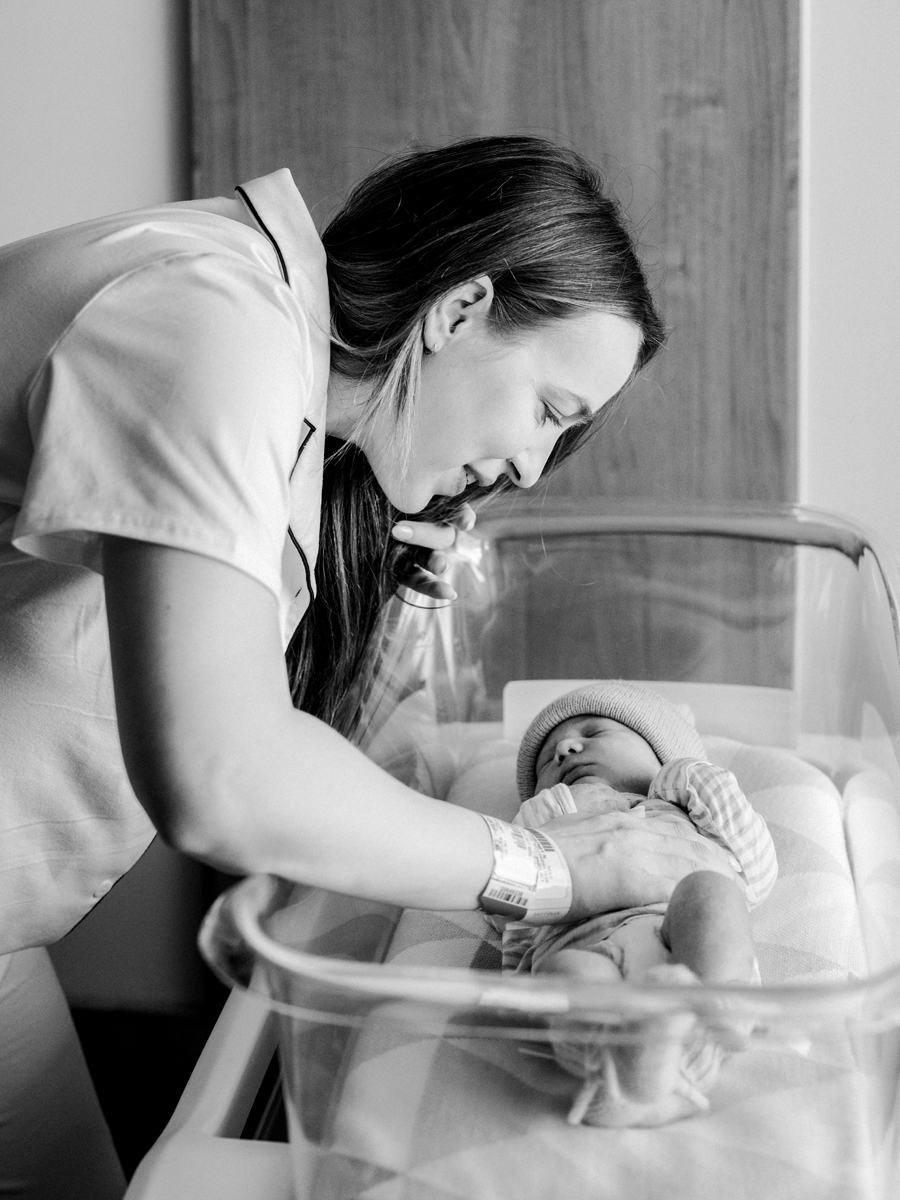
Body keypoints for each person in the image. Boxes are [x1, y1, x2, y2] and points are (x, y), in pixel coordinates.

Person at [0, 136, 725, 1196]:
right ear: (460, 310)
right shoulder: (213, 320)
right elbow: (222, 778)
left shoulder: (285, 410)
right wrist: (552, 873)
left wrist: (383, 572)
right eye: (549, 412)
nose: (528, 468)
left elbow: (315, 749)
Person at [504, 681, 778, 1127]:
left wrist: (692, 776)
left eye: (592, 733)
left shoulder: (687, 812)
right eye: (545, 762)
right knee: (566, 977)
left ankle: (718, 1008)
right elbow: (509, 893)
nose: (564, 751)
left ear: (660, 752)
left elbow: (759, 872)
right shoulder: (554, 818)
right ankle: (637, 1066)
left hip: (682, 934)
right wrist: (520, 982)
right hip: (586, 946)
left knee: (712, 891)